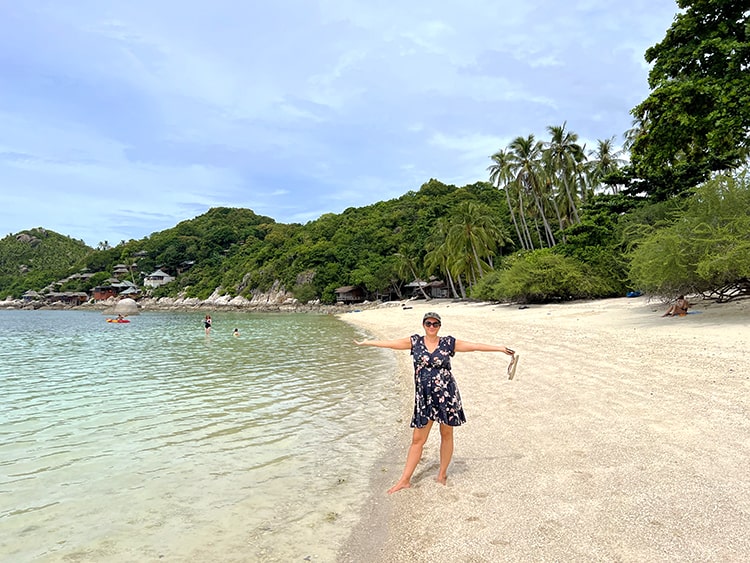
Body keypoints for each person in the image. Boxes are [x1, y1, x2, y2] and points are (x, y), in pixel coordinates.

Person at [354, 312, 515, 494]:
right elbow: (391, 343)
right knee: (417, 440)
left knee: (446, 433)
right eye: (428, 323)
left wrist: (500, 348)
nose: (432, 326)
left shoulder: (448, 343)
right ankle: (404, 480)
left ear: (439, 326)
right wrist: (366, 343)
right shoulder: (414, 342)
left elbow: (474, 346)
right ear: (423, 324)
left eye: (435, 324)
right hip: (424, 398)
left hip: (446, 395)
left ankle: (442, 474)